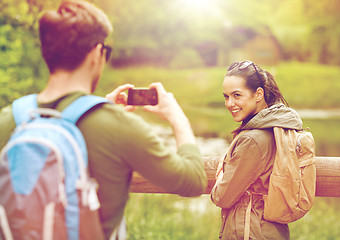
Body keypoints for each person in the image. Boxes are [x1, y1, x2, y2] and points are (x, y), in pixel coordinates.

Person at [0, 1, 207, 239]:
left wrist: (97, 106)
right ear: (96, 53)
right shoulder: (119, 126)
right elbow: (193, 180)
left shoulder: (9, 119)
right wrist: (176, 117)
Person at [210, 60, 303, 239]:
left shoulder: (253, 140)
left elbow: (222, 197)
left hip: (249, 231)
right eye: (226, 96)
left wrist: (221, 175)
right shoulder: (277, 128)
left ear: (258, 94)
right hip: (269, 230)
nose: (230, 103)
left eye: (237, 95)